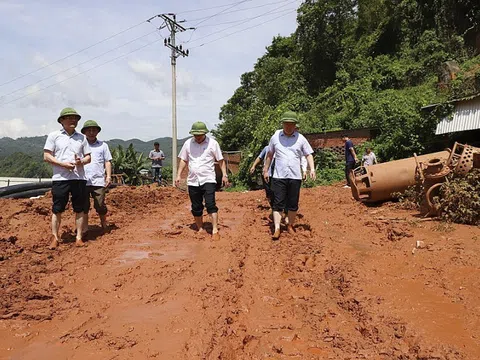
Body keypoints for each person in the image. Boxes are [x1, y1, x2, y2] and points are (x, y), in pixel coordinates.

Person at [43, 107, 91, 249]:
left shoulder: (82, 138)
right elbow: (46, 156)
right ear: (62, 121)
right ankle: (55, 237)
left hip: (79, 178)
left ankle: (79, 237)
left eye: (75, 118)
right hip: (60, 178)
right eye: (69, 118)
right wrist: (63, 164)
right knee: (57, 208)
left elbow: (88, 157)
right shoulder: (54, 136)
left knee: (80, 208)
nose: (73, 120)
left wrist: (80, 162)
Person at [263, 111, 316, 240]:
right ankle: (277, 228)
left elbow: (308, 154)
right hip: (279, 175)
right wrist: (266, 169)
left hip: (295, 176)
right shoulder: (275, 136)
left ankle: (290, 225)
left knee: (293, 203)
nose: (288, 126)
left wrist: (312, 169)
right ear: (283, 123)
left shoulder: (301, 138)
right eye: (286, 124)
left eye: (291, 124)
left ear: (295, 125)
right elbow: (270, 154)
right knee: (278, 203)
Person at [175, 122, 229, 241]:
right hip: (193, 180)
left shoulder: (213, 143)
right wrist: (178, 175)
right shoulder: (188, 143)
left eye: (200, 134)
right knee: (196, 206)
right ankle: (200, 228)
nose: (198, 137)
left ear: (205, 133)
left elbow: (220, 160)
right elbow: (184, 160)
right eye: (195, 135)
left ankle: (215, 230)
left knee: (210, 204)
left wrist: (224, 175)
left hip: (208, 178)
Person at [81, 120, 112, 234]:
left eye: (94, 130)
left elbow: (107, 162)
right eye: (89, 130)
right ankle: (84, 228)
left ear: (97, 132)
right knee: (84, 206)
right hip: (83, 180)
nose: (91, 132)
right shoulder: (81, 145)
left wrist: (108, 176)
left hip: (98, 180)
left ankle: (104, 225)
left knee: (100, 205)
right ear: (84, 132)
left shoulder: (103, 146)